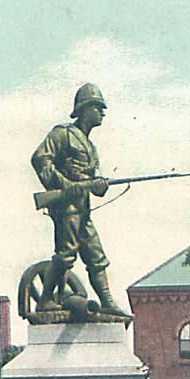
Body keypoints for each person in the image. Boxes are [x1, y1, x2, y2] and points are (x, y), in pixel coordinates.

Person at [31, 83, 128, 317]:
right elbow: (40, 159)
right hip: (66, 206)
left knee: (96, 255)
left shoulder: (91, 148)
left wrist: (100, 186)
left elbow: (93, 184)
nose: (103, 112)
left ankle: (107, 301)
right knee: (66, 254)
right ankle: (45, 301)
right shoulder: (62, 134)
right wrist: (64, 184)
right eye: (98, 107)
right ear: (85, 109)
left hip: (83, 208)